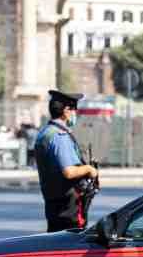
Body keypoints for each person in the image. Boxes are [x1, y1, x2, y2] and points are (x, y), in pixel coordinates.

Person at [34, 90, 100, 232]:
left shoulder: (45, 133)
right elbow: (69, 172)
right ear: (66, 110)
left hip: (53, 202)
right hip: (68, 206)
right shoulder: (60, 136)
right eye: (74, 110)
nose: (75, 114)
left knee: (56, 243)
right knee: (70, 245)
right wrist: (89, 169)